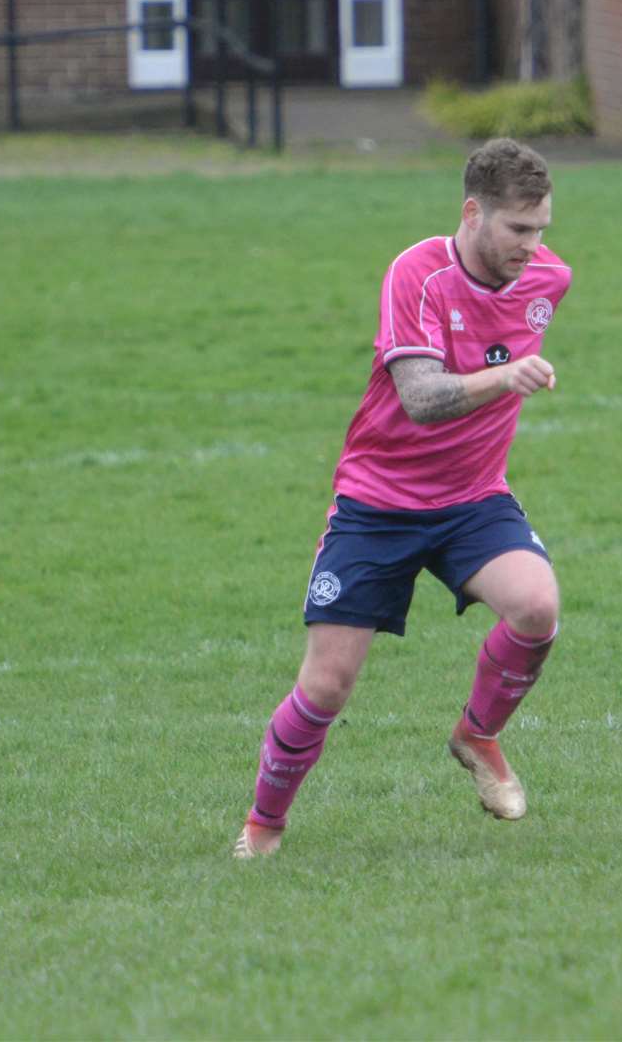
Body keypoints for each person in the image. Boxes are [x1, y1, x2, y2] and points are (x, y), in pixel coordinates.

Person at [234, 138, 571, 858]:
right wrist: (503, 376)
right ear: (472, 213)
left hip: (472, 499)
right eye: (518, 229)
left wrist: (503, 373)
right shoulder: (417, 273)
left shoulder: (549, 280)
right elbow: (420, 398)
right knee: (327, 685)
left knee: (538, 607)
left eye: (541, 229)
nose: (532, 246)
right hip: (378, 503)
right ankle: (262, 829)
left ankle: (477, 736)